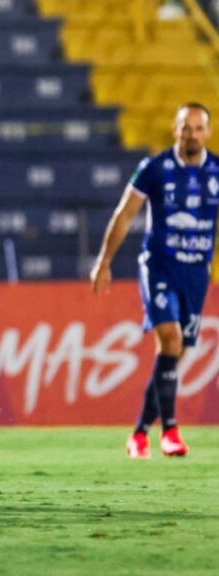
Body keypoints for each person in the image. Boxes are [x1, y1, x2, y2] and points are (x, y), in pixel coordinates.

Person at [91, 102, 218, 459]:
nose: (192, 134)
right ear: (175, 130)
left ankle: (139, 433)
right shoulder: (154, 168)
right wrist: (104, 261)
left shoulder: (216, 171)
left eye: (198, 128)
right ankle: (171, 431)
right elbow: (125, 213)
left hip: (197, 272)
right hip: (159, 266)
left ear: (208, 132)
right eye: (185, 127)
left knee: (172, 354)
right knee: (171, 339)